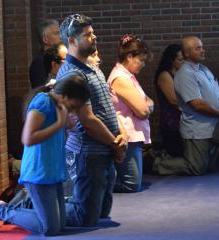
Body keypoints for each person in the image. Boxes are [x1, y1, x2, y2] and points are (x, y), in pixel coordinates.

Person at [0, 73, 90, 236]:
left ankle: (27, 203)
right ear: (64, 96)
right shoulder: (43, 101)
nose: (73, 110)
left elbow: (68, 125)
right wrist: (59, 123)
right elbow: (28, 138)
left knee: (60, 226)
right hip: (38, 172)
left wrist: (66, 119)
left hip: (53, 171)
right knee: (50, 229)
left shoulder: (59, 106)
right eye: (73, 106)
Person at [57, 13, 127, 227]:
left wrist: (121, 135)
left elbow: (108, 108)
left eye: (93, 32)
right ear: (71, 41)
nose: (94, 37)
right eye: (88, 35)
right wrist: (115, 144)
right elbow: (87, 120)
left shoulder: (93, 68)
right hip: (88, 152)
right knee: (85, 217)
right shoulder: (72, 74)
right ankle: (18, 206)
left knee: (101, 213)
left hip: (104, 148)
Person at [153, 36, 219, 176]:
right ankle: (156, 163)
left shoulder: (204, 69)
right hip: (197, 128)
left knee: (206, 166)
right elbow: (196, 104)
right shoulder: (185, 74)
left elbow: (217, 93)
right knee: (196, 167)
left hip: (213, 124)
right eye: (198, 48)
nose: (203, 50)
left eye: (202, 47)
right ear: (187, 53)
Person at [107, 34, 153, 193]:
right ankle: (95, 186)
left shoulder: (128, 76)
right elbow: (142, 111)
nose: (143, 64)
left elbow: (148, 101)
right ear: (129, 56)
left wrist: (147, 105)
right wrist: (147, 106)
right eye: (141, 60)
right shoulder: (121, 78)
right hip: (127, 134)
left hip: (132, 135)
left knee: (133, 182)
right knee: (131, 184)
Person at [155, 44, 184, 157]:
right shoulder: (165, 75)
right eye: (180, 59)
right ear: (171, 60)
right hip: (171, 122)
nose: (183, 62)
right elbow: (173, 100)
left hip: (182, 120)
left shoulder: (181, 73)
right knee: (175, 154)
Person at [29, 19, 61, 88]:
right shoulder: (39, 62)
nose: (61, 36)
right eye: (57, 33)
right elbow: (41, 90)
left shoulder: (58, 57)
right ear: (45, 39)